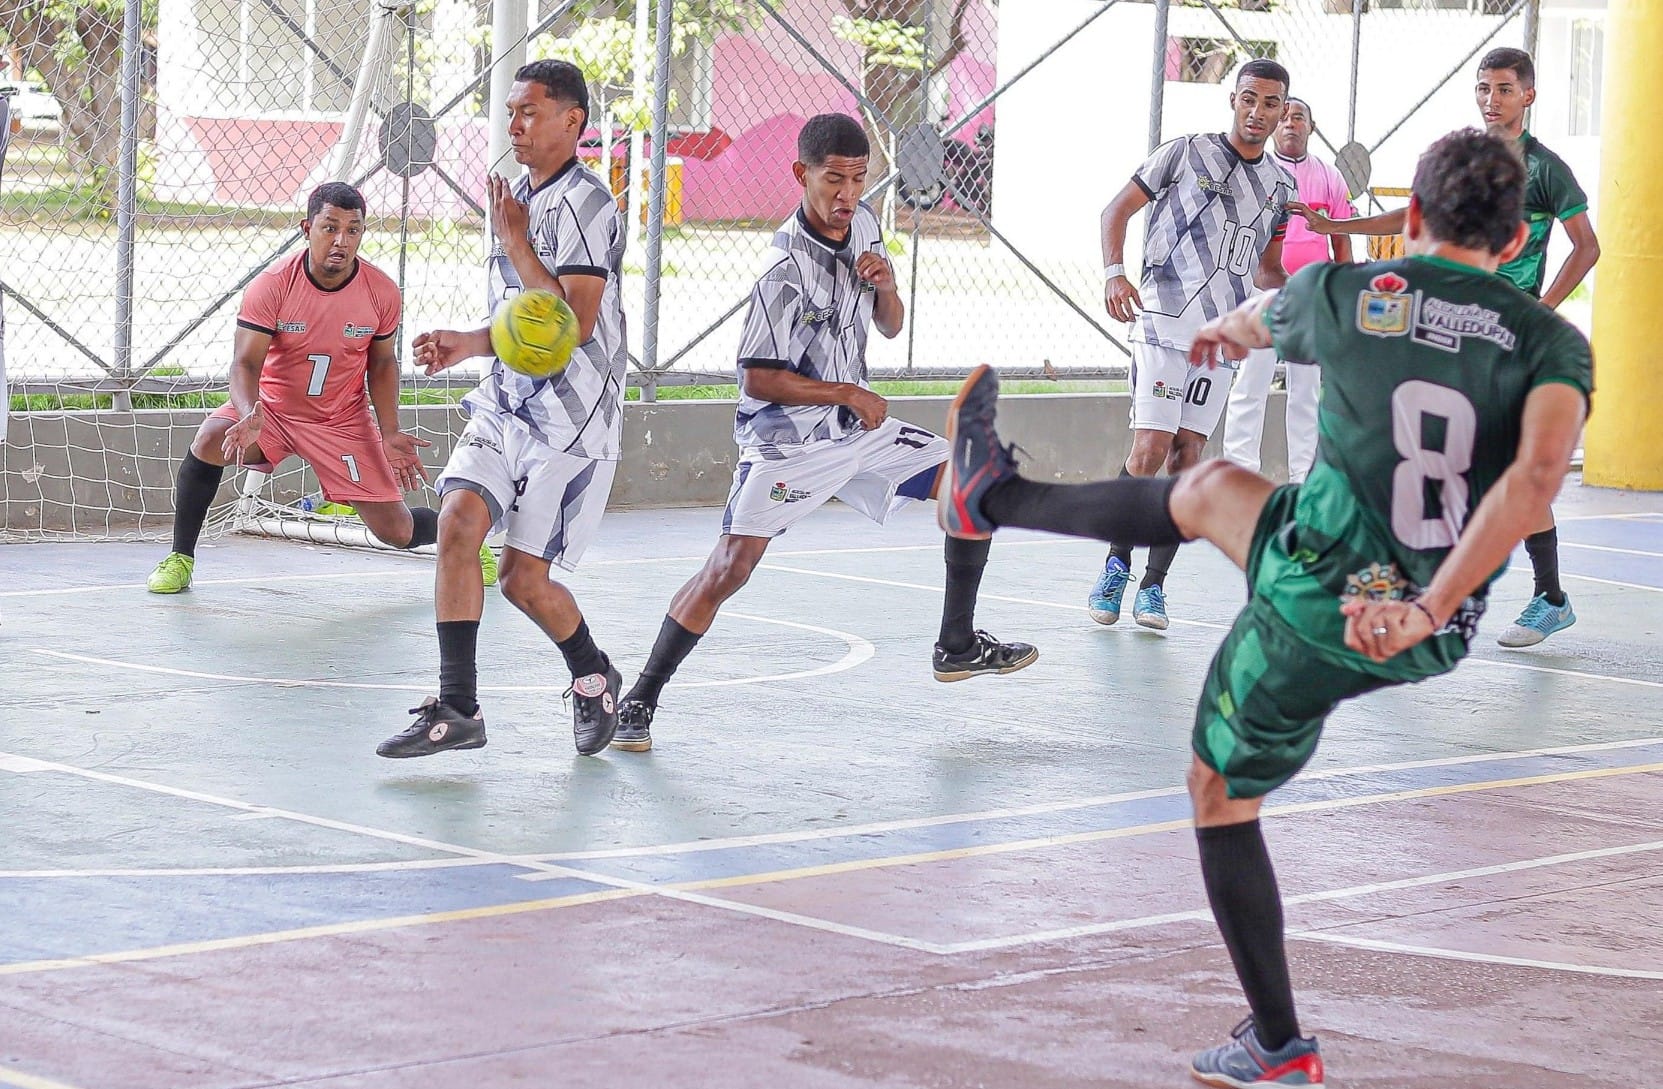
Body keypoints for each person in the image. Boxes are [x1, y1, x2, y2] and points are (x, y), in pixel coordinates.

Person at [938, 129, 1591, 1087]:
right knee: (1211, 490)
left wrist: (1221, 330)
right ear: (1515, 240)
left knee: (1218, 789)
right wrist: (1430, 607)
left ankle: (1277, 1043)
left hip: (1322, 596)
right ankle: (990, 496)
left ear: (1411, 216)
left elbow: (1253, 319)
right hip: (1426, 618)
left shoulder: (1353, 293)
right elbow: (1533, 483)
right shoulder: (1550, 343)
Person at [607, 113, 1036, 754]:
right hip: (788, 446)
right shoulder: (783, 271)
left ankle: (956, 644)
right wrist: (844, 391)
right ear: (801, 174)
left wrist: (886, 287)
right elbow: (757, 378)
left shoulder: (864, 227)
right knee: (728, 569)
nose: (847, 193)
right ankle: (640, 699)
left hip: (855, 432)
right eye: (834, 179)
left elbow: (889, 325)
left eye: (858, 179)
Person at [1293, 48, 1599, 649]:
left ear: (1528, 96)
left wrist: (1543, 306)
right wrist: (1336, 228)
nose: (1491, 99)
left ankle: (1546, 596)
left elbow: (1587, 246)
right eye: (1483, 87)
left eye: (1504, 89)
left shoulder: (1545, 170)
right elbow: (1413, 217)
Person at [375, 60, 629, 760]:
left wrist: (515, 239)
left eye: (529, 112)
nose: (513, 125)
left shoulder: (587, 204)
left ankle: (593, 674)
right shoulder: (517, 196)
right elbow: (525, 322)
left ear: (572, 121)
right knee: (457, 522)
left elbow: (572, 322)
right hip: (505, 404)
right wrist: (468, 342)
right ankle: (458, 708)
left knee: (522, 580)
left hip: (570, 422)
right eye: (510, 111)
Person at [144, 182, 497, 594]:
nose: (341, 241)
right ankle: (180, 558)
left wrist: (390, 431)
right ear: (306, 228)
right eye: (330, 228)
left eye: (353, 230)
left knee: (396, 531)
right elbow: (245, 362)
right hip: (272, 413)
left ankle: (466, 538)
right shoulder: (273, 285)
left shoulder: (381, 292)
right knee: (210, 439)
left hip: (342, 422)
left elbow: (382, 363)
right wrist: (249, 413)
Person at [1092, 59, 1295, 631]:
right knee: (1150, 448)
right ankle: (1115, 566)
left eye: (1271, 103)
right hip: (1162, 323)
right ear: (1234, 100)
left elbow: (1268, 269)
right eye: (1250, 99)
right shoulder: (1183, 152)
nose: (1258, 111)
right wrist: (1114, 273)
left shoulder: (1281, 187)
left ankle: (1153, 587)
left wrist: (1306, 297)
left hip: (1220, 341)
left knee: (1187, 457)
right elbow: (1115, 210)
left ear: (1283, 111)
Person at [1222, 97, 1354, 484]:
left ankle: (1302, 477)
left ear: (1312, 127)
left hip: (1312, 298)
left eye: (1300, 118)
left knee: (1306, 388)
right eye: (1286, 117)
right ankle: (1242, 473)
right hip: (1261, 294)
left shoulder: (1330, 177)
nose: (1291, 124)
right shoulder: (1258, 173)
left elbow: (1342, 238)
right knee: (1252, 381)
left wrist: (1344, 293)